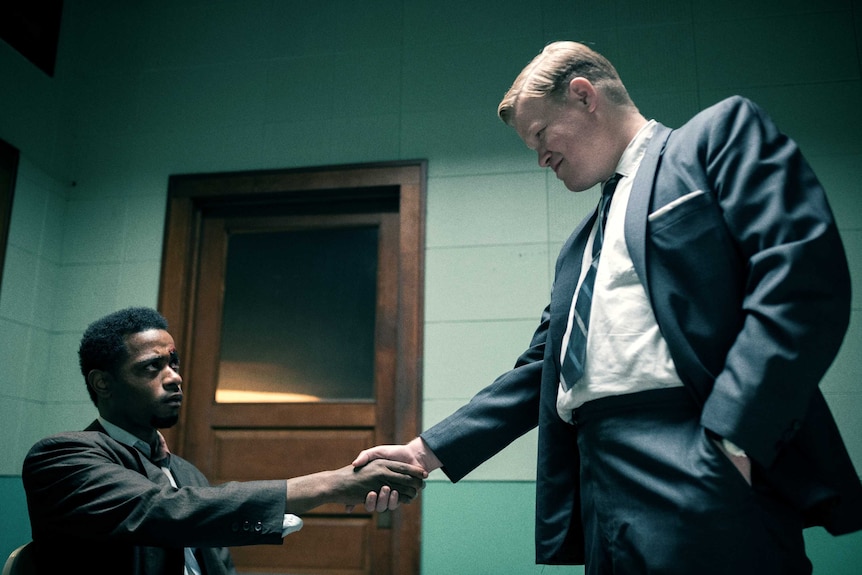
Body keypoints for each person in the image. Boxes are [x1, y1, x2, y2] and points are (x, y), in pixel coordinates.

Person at [353, 41, 862, 573]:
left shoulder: (713, 139)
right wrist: (423, 452)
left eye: (540, 135)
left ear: (583, 95)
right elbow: (538, 373)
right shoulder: (580, 245)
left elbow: (799, 280)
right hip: (596, 473)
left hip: (697, 446)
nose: (540, 157)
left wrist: (732, 439)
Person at [22, 306, 426, 575]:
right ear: (102, 383)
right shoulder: (61, 458)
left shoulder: (185, 473)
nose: (175, 377)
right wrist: (329, 484)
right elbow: (161, 512)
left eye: (174, 363)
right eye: (151, 367)